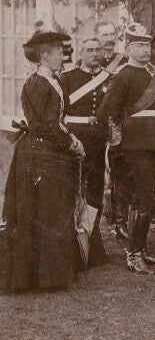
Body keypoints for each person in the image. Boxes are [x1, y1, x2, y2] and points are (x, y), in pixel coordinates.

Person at [1, 31, 86, 291]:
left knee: (52, 210)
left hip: (49, 151)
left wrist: (68, 138)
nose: (63, 54)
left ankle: (52, 275)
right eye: (58, 51)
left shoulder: (52, 79)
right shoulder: (37, 82)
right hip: (38, 154)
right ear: (45, 55)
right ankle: (38, 277)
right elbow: (45, 124)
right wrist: (72, 140)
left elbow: (56, 120)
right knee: (41, 211)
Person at [97, 23, 155, 275]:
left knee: (145, 199)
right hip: (135, 144)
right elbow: (105, 112)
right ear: (128, 48)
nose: (145, 50)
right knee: (148, 198)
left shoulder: (154, 72)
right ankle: (133, 253)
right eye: (139, 45)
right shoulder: (124, 75)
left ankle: (140, 249)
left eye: (147, 45)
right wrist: (116, 137)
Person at [59, 36, 111, 267]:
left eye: (98, 49)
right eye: (89, 49)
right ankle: (71, 246)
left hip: (99, 141)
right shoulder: (67, 78)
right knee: (74, 190)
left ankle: (92, 242)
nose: (95, 53)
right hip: (75, 140)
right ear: (81, 52)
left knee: (95, 192)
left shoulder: (109, 79)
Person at [94, 20, 129, 239]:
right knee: (96, 173)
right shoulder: (89, 60)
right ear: (97, 37)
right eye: (104, 35)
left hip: (119, 124)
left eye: (111, 34)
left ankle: (121, 220)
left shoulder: (124, 61)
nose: (108, 38)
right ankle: (94, 220)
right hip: (96, 124)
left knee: (121, 173)